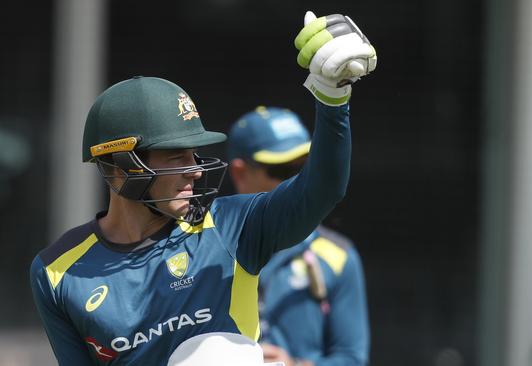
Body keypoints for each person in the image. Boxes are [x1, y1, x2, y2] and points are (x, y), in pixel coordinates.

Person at [29, 11, 377, 366]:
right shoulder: (56, 272)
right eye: (175, 157)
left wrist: (333, 100)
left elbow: (322, 190)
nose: (194, 170)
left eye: (195, 155)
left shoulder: (234, 226)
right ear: (119, 165)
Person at [227, 107, 370, 366]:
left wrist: (293, 365)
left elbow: (352, 358)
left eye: (305, 168)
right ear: (240, 173)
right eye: (281, 169)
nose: (298, 180)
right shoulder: (206, 249)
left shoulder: (338, 257)